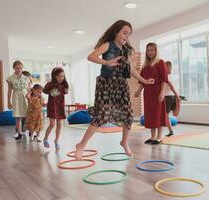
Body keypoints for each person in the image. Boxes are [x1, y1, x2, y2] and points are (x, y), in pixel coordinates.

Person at [74, 19, 155, 160]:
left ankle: (124, 142)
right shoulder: (108, 45)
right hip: (106, 84)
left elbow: (131, 71)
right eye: (124, 33)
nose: (127, 36)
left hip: (120, 85)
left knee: (128, 115)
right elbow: (91, 56)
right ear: (116, 32)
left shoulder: (125, 51)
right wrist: (107, 62)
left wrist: (144, 81)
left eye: (129, 34)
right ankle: (81, 145)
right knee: (102, 115)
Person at [134, 42, 168, 144]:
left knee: (159, 114)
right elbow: (142, 81)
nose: (150, 52)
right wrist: (138, 91)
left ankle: (159, 137)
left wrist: (162, 93)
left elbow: (164, 80)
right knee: (151, 115)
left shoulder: (160, 63)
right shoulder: (145, 66)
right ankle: (153, 137)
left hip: (157, 93)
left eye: (152, 50)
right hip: (148, 94)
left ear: (156, 51)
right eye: (148, 50)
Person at [43, 67, 69, 150]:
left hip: (60, 106)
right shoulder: (50, 84)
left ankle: (56, 141)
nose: (61, 78)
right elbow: (44, 90)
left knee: (59, 125)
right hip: (52, 106)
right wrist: (51, 91)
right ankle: (45, 139)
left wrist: (65, 90)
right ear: (54, 76)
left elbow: (65, 91)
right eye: (59, 76)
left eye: (62, 76)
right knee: (52, 124)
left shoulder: (64, 84)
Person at [6, 60, 30, 140]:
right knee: (18, 116)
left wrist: (30, 98)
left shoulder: (26, 78)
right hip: (16, 97)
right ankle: (19, 133)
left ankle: (31, 131)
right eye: (17, 68)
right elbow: (9, 91)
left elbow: (29, 89)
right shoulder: (10, 78)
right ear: (14, 68)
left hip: (26, 97)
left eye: (20, 68)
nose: (19, 70)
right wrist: (8, 101)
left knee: (28, 115)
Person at [164, 61, 181, 137]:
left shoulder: (166, 76)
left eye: (165, 67)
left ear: (168, 67)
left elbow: (171, 86)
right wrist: (176, 96)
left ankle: (170, 131)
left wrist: (177, 95)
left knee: (166, 115)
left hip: (167, 97)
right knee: (175, 114)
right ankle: (178, 103)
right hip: (173, 96)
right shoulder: (173, 75)